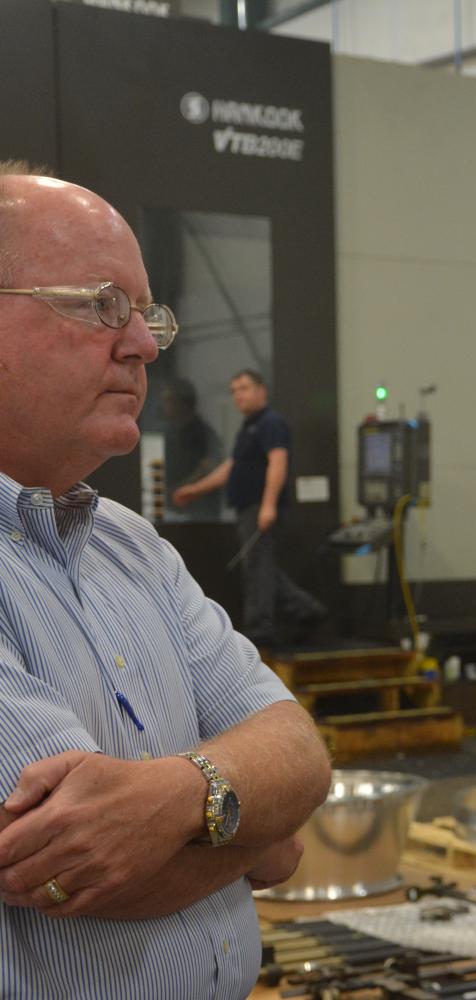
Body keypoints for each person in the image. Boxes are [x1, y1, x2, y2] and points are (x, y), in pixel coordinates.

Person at [0, 164, 332, 1000]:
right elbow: (69, 868)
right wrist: (254, 827)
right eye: (99, 303)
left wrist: (186, 801)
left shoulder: (129, 546)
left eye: (146, 313)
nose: (143, 343)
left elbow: (298, 751)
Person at [174, 369, 326, 645]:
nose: (238, 395)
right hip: (246, 507)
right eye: (233, 390)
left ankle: (260, 630)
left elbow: (278, 462)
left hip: (259, 507)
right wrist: (195, 490)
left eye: (243, 388)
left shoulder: (271, 423)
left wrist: (268, 505)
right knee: (261, 566)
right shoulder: (248, 428)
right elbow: (231, 468)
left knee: (258, 570)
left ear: (261, 391)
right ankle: (307, 609)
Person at [161, 376, 221, 520]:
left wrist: (182, 489)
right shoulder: (170, 433)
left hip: (200, 511)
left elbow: (209, 468)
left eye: (169, 402)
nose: (165, 407)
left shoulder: (204, 433)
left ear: (183, 403)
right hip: (173, 508)